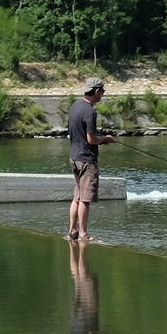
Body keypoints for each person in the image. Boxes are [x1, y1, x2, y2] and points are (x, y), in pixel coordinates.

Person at [67, 77, 115, 242]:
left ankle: (72, 231)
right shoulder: (90, 112)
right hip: (87, 160)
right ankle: (83, 234)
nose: (102, 95)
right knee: (85, 198)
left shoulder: (75, 106)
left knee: (77, 197)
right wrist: (105, 139)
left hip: (74, 157)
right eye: (102, 92)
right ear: (96, 91)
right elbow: (91, 139)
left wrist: (100, 138)